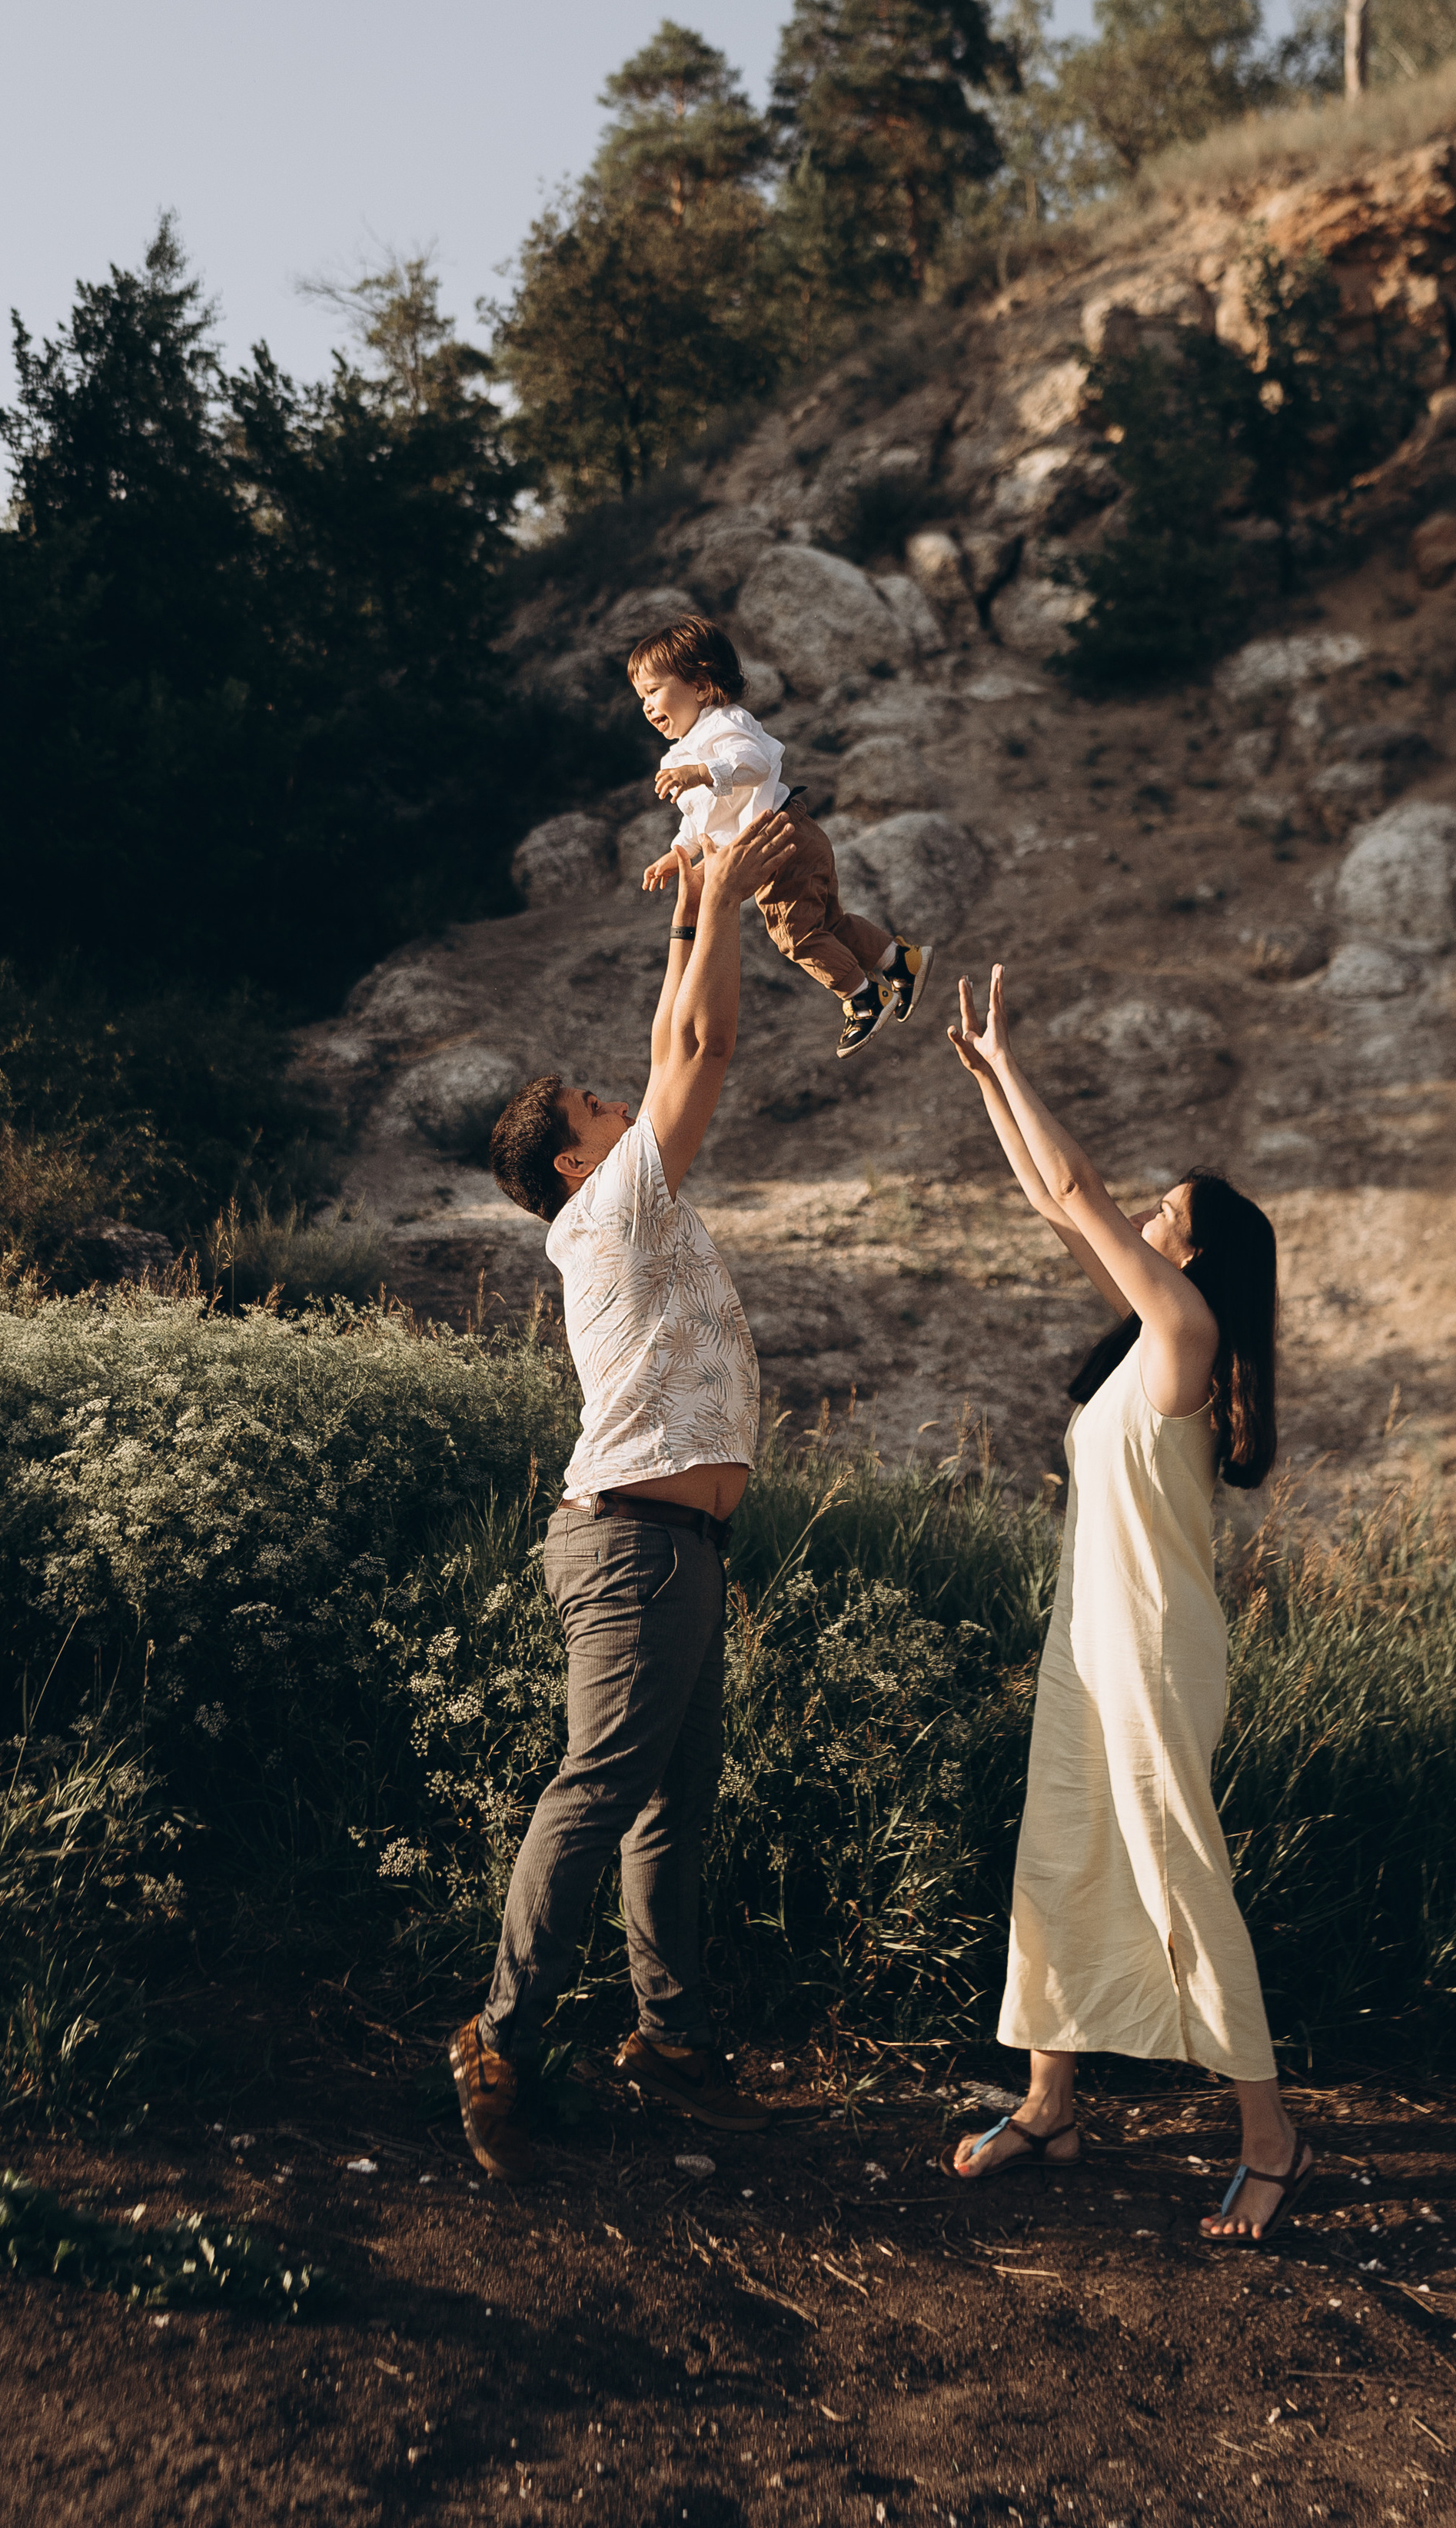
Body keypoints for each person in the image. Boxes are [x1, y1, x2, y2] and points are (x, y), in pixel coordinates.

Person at [447, 810, 796, 2180]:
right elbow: (700, 1050)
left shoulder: (616, 1200)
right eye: (605, 1109)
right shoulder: (606, 1213)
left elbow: (667, 1040)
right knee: (601, 1789)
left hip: (674, 1545)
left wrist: (694, 890)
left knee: (671, 1807)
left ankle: (669, 2043)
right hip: (637, 1547)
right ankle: (499, 2038)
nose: (630, 1099)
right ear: (578, 1163)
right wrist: (728, 903)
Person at [942, 964, 1311, 2243]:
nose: (1142, 1220)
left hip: (1155, 1648)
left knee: (1178, 1877)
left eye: (1167, 1213)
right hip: (1090, 1639)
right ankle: (1052, 2101)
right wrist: (990, 1080)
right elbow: (1059, 1205)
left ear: (1198, 1253)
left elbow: (1075, 1192)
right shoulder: (1152, 1338)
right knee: (1061, 1849)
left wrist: (1016, 1059)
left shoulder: (1189, 1337)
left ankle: (1271, 2138)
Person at [627, 613, 933, 1060]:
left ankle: (863, 998)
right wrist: (678, 854)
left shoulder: (723, 724)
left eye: (654, 691)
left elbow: (755, 762)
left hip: (781, 841)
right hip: (790, 838)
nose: (647, 706)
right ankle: (900, 961)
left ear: (699, 683)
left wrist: (701, 772)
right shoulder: (681, 753)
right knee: (829, 925)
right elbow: (702, 819)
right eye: (641, 698)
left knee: (795, 934)